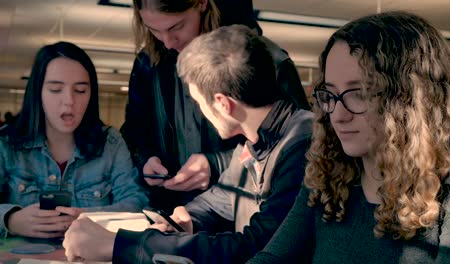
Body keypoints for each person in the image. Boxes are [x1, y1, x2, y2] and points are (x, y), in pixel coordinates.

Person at [63, 24, 314, 264]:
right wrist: (187, 218)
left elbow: (256, 247)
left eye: (198, 102)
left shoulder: (301, 145)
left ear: (223, 105)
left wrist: (119, 245)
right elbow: (221, 198)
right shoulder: (258, 141)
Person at [247, 11, 450, 264]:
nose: (338, 116)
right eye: (330, 94)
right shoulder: (328, 175)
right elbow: (273, 257)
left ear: (410, 99)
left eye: (360, 93)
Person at [120, 0, 311, 211]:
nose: (167, 42)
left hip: (246, 207)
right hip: (176, 209)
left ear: (202, 3)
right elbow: (134, 130)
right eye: (154, 30)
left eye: (177, 27)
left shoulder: (264, 59)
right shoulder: (148, 64)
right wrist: (145, 159)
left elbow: (292, 145)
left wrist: (217, 164)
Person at [0, 41, 148, 239]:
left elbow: (136, 202)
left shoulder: (109, 143)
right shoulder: (7, 143)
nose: (69, 100)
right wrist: (11, 220)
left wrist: (90, 218)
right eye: (55, 89)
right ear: (38, 93)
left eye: (80, 91)